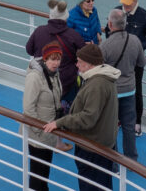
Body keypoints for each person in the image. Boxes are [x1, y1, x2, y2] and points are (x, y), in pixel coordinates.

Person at [42, 43, 121, 190]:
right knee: (102, 184)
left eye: (79, 61)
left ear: (90, 64)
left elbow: (88, 118)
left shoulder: (97, 84)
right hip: (101, 144)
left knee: (91, 186)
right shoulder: (101, 78)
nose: (76, 65)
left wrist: (60, 122)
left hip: (93, 147)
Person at [110, 0, 146, 136]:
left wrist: (139, 47)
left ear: (135, 2)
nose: (125, 6)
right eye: (124, 3)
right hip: (117, 59)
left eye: (128, 4)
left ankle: (137, 123)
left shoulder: (145, 16)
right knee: (115, 87)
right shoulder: (117, 12)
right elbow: (108, 29)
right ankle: (117, 119)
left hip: (135, 61)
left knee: (136, 90)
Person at [23, 41, 70, 191]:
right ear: (45, 59)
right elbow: (28, 108)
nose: (55, 63)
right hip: (38, 135)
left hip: (49, 132)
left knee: (45, 171)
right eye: (52, 59)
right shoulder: (35, 77)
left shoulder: (54, 74)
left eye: (58, 59)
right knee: (38, 173)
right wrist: (39, 131)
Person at [100, 8, 145, 160]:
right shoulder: (135, 41)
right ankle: (131, 159)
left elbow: (98, 69)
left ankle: (113, 162)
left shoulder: (106, 46)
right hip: (129, 90)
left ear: (110, 25)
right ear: (125, 24)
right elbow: (141, 63)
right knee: (129, 126)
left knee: (111, 127)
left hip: (112, 91)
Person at [26, 0, 87, 107]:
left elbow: (29, 50)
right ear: (66, 16)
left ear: (51, 15)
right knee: (67, 109)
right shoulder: (74, 35)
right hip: (66, 81)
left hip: (41, 79)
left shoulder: (39, 30)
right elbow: (84, 56)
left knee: (44, 107)